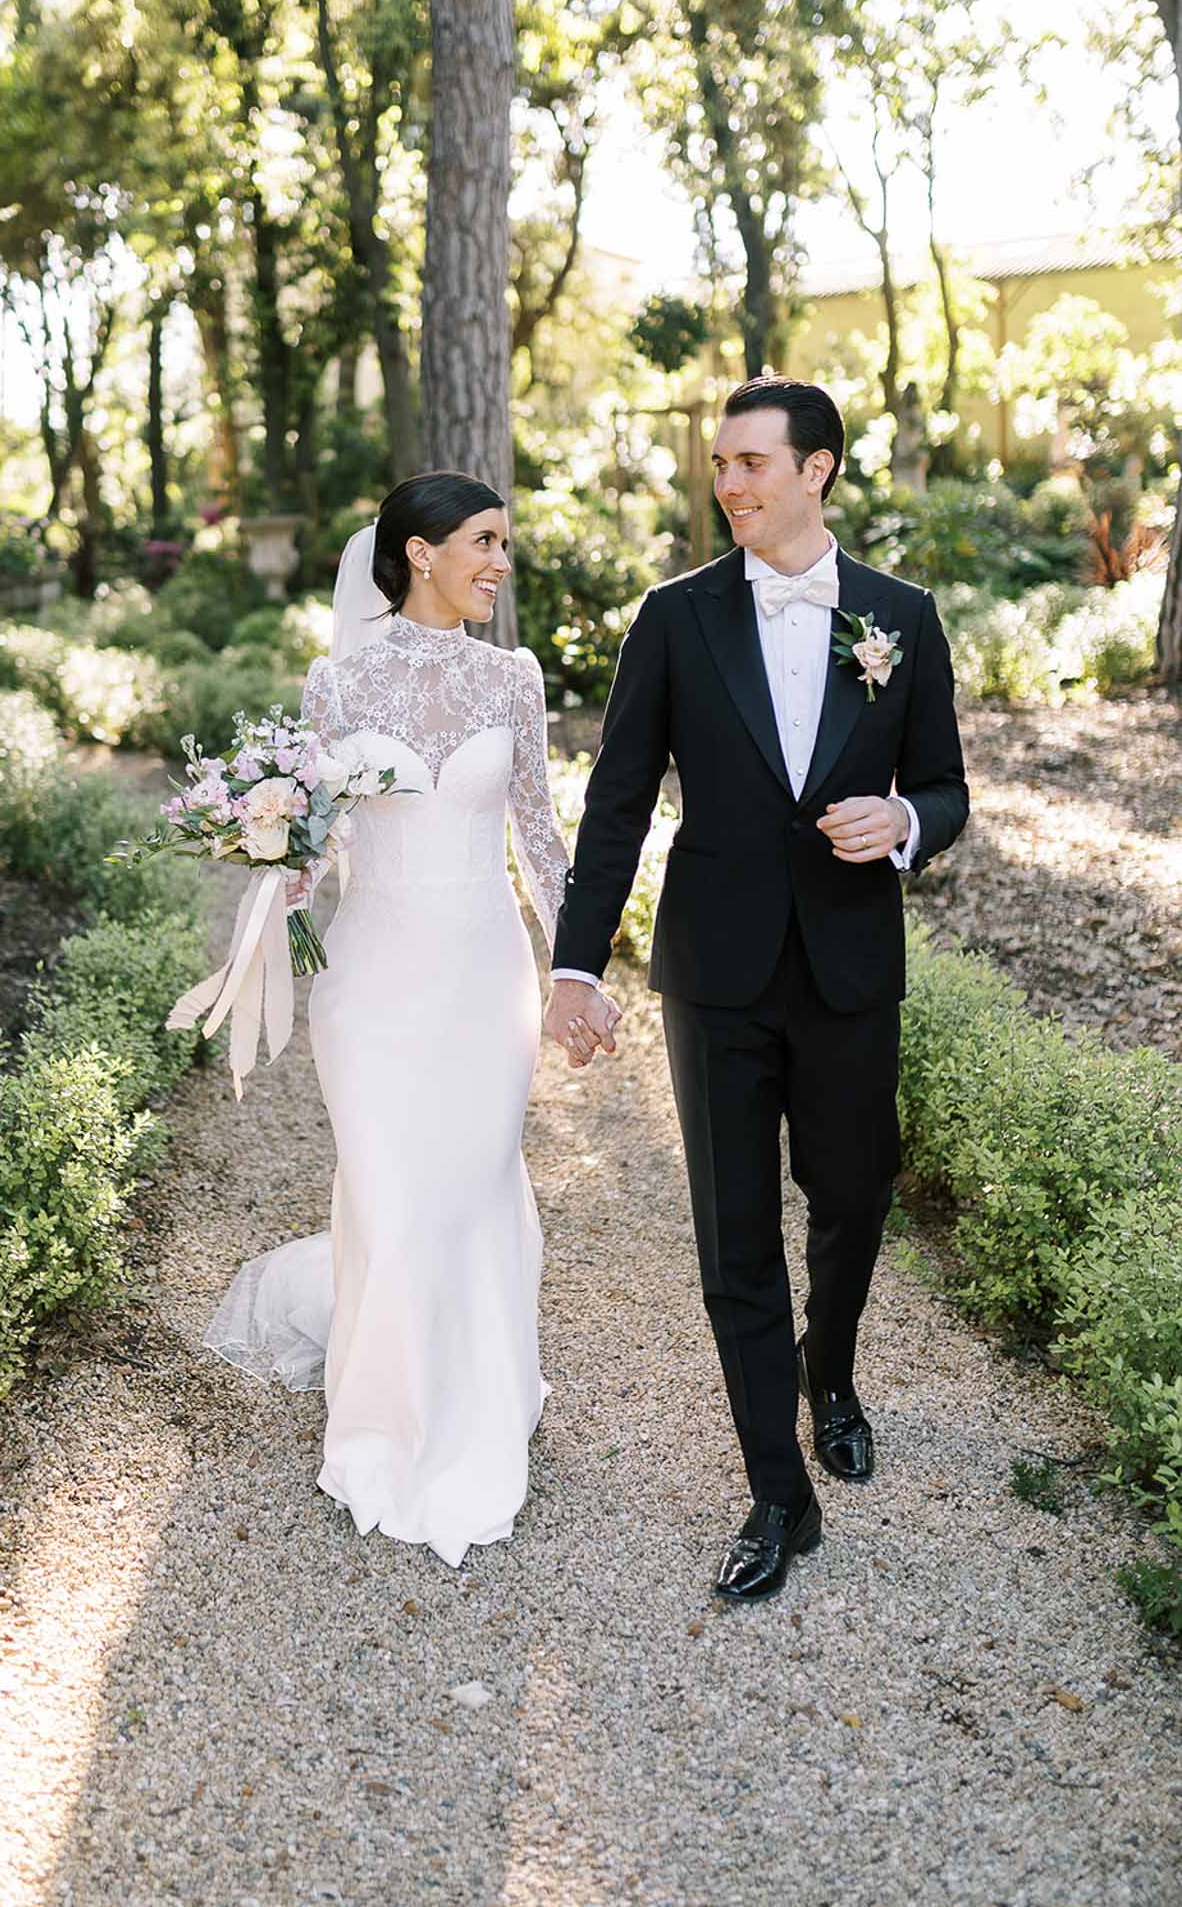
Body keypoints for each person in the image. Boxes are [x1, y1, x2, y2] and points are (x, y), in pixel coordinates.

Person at [545, 377, 969, 1604]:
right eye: (719, 465)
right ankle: (777, 1491)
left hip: (846, 963)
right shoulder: (672, 617)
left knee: (853, 1189)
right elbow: (618, 799)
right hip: (714, 969)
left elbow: (943, 787)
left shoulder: (901, 615)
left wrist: (900, 819)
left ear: (817, 468)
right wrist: (576, 963)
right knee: (734, 1235)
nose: (727, 484)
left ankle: (827, 1369)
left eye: (749, 463)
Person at [203, 472, 617, 1569]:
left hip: (486, 980)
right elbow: (319, 840)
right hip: (372, 981)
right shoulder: (336, 682)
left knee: (470, 1187)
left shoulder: (513, 678)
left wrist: (582, 969)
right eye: (482, 542)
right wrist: (267, 869)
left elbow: (539, 838)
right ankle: (382, 1424)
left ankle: (478, 1405)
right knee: (388, 1196)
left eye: (502, 544)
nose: (499, 563)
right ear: (418, 551)